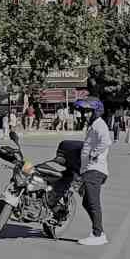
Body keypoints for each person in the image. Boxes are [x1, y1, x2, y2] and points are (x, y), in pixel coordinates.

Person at [51, 102, 113, 247]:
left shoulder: (99, 124)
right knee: (86, 201)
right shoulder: (93, 125)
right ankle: (98, 232)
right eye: (84, 111)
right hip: (90, 170)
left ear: (96, 112)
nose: (85, 114)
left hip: (95, 170)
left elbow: (106, 141)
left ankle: (98, 234)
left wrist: (94, 153)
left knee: (93, 201)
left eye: (88, 111)